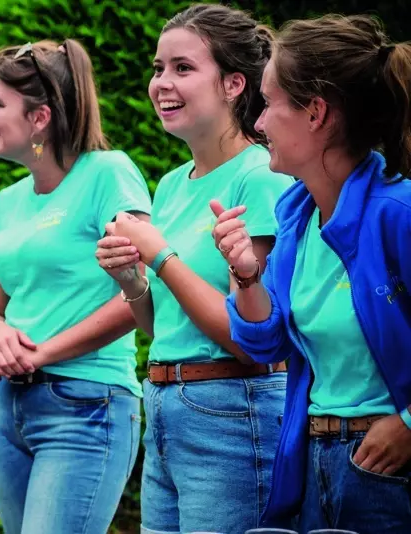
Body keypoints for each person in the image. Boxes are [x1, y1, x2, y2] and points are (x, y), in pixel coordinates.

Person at [96, 5, 294, 533]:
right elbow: (163, 329)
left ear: (233, 84)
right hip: (165, 405)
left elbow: (249, 337)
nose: (162, 82)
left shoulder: (260, 175)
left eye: (183, 68)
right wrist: (133, 281)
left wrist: (161, 255)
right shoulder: (170, 184)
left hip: (233, 410)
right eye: (158, 68)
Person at [214, 14, 411, 533]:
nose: (258, 123)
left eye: (269, 103)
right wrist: (246, 276)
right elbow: (266, 344)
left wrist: (409, 426)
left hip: (387, 470)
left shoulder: (399, 213)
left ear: (316, 113)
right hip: (314, 463)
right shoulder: (297, 218)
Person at [0, 39, 152, 534]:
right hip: (8, 408)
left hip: (85, 406)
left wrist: (41, 353)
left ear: (39, 118)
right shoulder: (7, 202)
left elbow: (143, 292)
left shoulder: (109, 174)